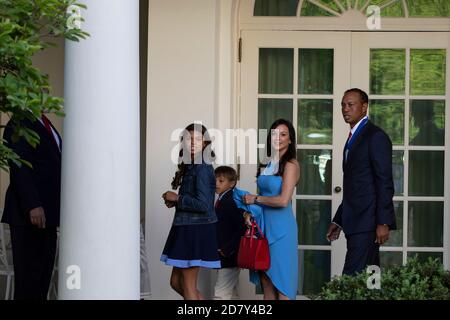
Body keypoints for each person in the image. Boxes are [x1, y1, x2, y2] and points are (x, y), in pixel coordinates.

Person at [326, 88, 396, 276]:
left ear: (364, 107)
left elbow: (384, 182)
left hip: (368, 223)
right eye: (343, 105)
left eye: (350, 104)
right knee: (371, 277)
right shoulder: (354, 138)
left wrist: (383, 222)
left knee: (351, 278)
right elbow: (355, 187)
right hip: (356, 221)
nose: (345, 109)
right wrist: (338, 220)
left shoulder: (375, 137)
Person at [2, 113, 62, 300]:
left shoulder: (45, 123)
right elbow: (19, 166)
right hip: (30, 215)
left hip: (49, 216)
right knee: (29, 283)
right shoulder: (21, 122)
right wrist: (33, 204)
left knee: (42, 280)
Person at [161, 123, 220, 300]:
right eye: (188, 138)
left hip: (195, 229)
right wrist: (177, 202)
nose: (193, 142)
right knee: (176, 282)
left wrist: (177, 198)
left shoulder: (202, 166)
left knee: (187, 284)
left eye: (198, 139)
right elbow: (196, 200)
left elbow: (204, 205)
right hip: (185, 226)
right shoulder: (191, 164)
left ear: (205, 143)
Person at [242, 118, 299, 300]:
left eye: (283, 134)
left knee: (282, 285)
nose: (278, 138)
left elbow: (283, 201)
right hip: (263, 227)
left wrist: (255, 198)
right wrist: (249, 212)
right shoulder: (266, 164)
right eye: (274, 134)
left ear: (290, 140)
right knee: (266, 282)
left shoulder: (291, 165)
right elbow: (262, 199)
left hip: (282, 230)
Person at [213, 166, 247, 300]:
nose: (216, 183)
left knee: (221, 293)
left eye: (221, 181)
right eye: (215, 180)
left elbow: (242, 227)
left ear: (232, 184)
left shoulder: (229, 202)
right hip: (226, 254)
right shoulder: (222, 200)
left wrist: (228, 249)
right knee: (231, 292)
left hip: (229, 255)